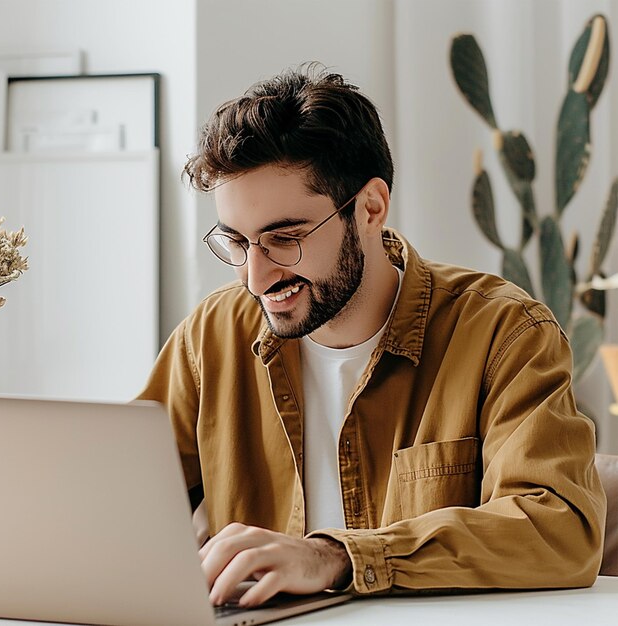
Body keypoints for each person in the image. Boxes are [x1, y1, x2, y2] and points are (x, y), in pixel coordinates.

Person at [138, 64, 606, 608]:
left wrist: (336, 557)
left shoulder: (503, 332)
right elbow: (119, 499)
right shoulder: (211, 336)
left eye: (284, 238)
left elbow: (560, 531)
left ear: (370, 208)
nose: (256, 278)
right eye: (237, 242)